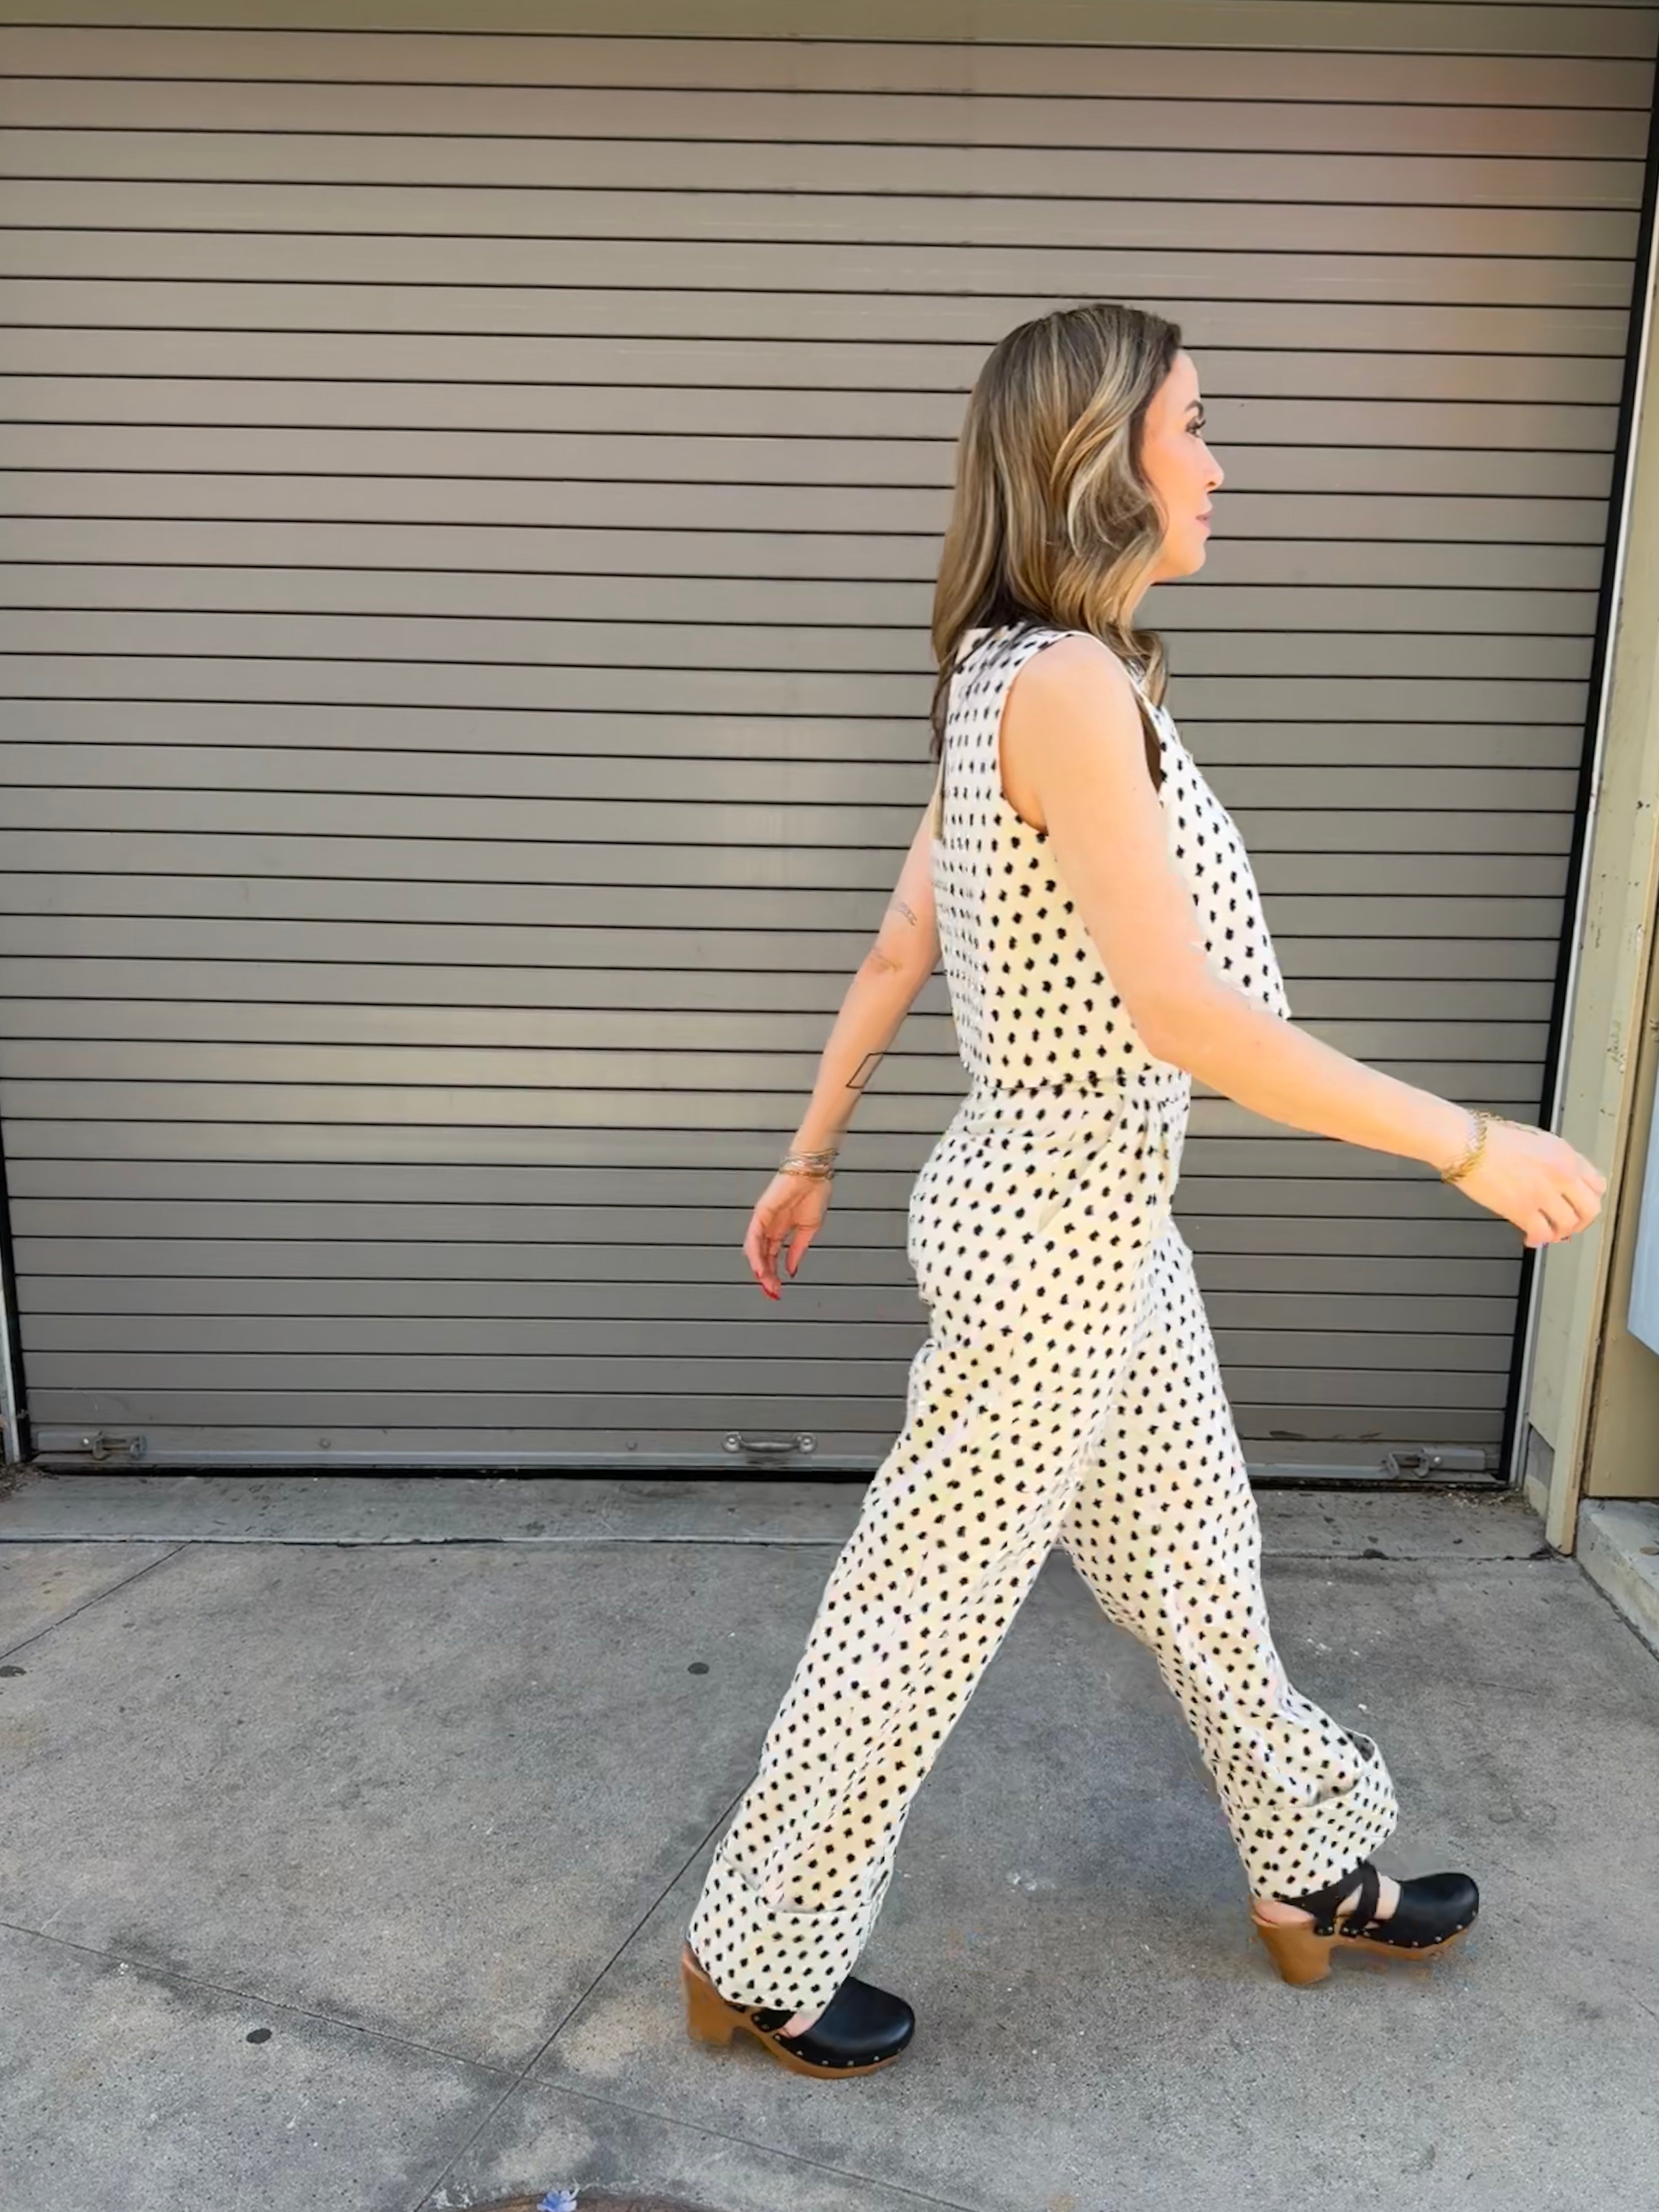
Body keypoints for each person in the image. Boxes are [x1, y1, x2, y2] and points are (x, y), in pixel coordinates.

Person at [678, 302, 1607, 2079]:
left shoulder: (1002, 676)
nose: (1218, 459)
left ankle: (1309, 1862)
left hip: (1095, 1222)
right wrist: (1470, 1143)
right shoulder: (1066, 689)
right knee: (919, 1609)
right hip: (1049, 1234)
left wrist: (811, 1151)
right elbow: (1186, 1014)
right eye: (1194, 423)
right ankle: (756, 1952)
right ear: (1097, 462)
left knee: (1196, 1563)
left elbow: (901, 938)